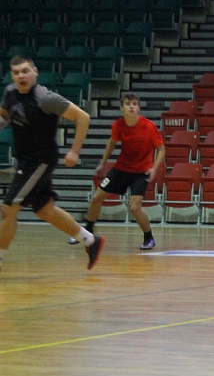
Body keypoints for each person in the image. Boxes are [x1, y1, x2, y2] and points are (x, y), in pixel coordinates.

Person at [0, 57, 104, 272]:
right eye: (17, 72)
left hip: (40, 160)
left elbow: (82, 117)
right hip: (26, 159)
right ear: (12, 76)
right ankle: (90, 241)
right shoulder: (10, 93)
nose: (21, 76)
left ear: (35, 72)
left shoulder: (45, 98)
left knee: (9, 208)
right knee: (45, 210)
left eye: (25, 71)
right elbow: (4, 116)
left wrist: (75, 151)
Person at [68, 93, 165, 251]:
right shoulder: (118, 125)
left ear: (138, 107)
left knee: (135, 208)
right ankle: (87, 233)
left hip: (140, 172)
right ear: (122, 108)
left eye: (134, 103)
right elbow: (111, 144)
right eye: (128, 104)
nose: (132, 106)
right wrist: (103, 163)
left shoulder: (148, 126)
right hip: (120, 169)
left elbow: (161, 149)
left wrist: (154, 168)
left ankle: (149, 238)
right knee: (96, 198)